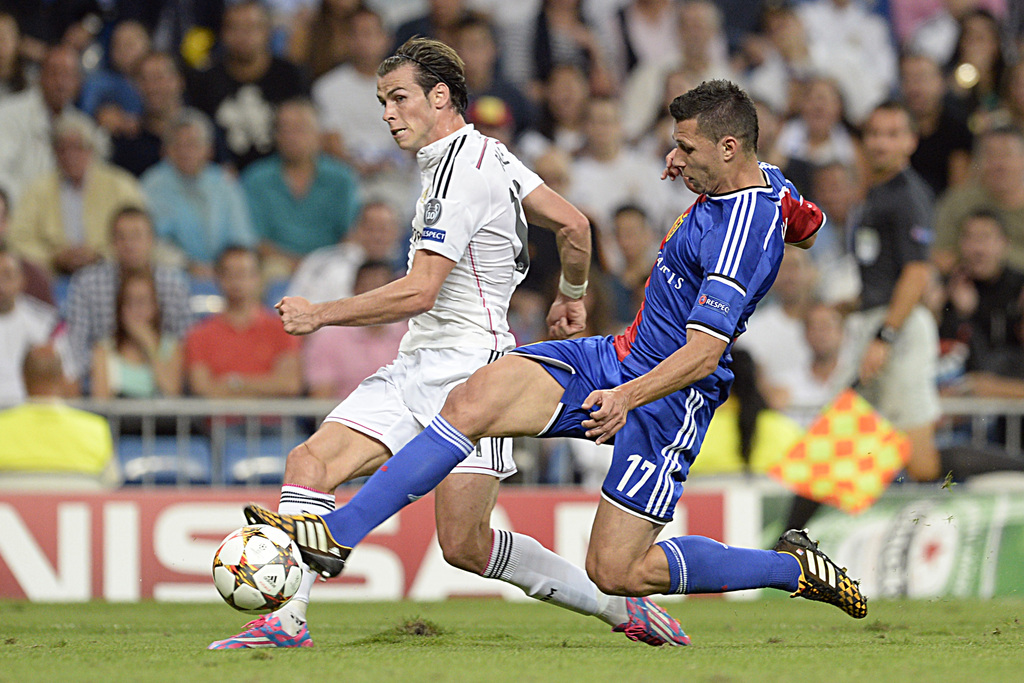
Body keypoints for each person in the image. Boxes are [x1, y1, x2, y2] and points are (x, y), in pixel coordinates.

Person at [244, 81, 868, 635]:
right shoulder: (767, 185)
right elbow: (802, 217)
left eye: (689, 150)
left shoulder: (741, 231)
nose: (677, 161)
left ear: (730, 147)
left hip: (667, 395)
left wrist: (627, 397)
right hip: (613, 353)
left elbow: (703, 353)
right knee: (474, 399)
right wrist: (792, 213)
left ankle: (789, 567)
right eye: (675, 147)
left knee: (617, 570)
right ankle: (339, 535)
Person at [211, 37, 689, 651]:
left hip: (475, 375)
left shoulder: (458, 174)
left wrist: (320, 313)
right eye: (383, 100)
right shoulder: (490, 156)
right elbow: (574, 224)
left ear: (440, 97)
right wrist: (571, 292)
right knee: (310, 463)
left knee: (466, 545)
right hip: (419, 362)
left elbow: (420, 290)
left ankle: (619, 608)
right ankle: (287, 620)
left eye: (399, 98)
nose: (387, 113)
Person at [7, 110, 146, 276]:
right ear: (55, 153)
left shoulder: (120, 185)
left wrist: (100, 255)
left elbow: (141, 235)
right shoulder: (38, 189)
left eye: (78, 147)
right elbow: (18, 238)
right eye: (62, 149)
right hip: (53, 277)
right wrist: (53, 258)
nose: (70, 156)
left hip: (112, 274)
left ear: (92, 149)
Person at [64, 207, 191, 386]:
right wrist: (105, 371)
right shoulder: (86, 283)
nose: (129, 244)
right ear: (111, 242)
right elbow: (75, 347)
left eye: (137, 236)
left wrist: (150, 353)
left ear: (152, 240)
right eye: (121, 237)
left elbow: (184, 345)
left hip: (163, 384)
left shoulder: (175, 285)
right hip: (102, 382)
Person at [241, 98, 361, 278]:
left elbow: (351, 234)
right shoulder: (256, 178)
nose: (291, 137)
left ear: (318, 134)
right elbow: (255, 240)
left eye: (300, 129)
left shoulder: (342, 178)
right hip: (277, 264)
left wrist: (318, 265)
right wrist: (299, 265)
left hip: (331, 264)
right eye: (284, 130)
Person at [184, 0, 308, 170]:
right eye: (234, 28)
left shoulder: (290, 75)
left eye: (252, 28)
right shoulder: (203, 80)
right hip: (220, 178)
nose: (243, 36)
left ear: (267, 31)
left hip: (279, 176)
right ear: (222, 33)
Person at [141, 108, 256, 279]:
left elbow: (241, 239)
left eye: (193, 144)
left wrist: (219, 269)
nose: (185, 152)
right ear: (166, 150)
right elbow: (150, 243)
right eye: (177, 145)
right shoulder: (151, 185)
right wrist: (189, 266)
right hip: (173, 273)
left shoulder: (225, 183)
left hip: (224, 274)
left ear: (208, 150)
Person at [184, 246, 301, 399]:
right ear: (218, 278)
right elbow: (202, 388)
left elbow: (289, 384)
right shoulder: (200, 334)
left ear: (258, 277)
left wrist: (233, 383)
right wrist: (266, 386)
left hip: (273, 421)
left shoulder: (283, 329)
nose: (237, 281)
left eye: (243, 274)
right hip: (221, 421)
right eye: (230, 274)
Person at [89, 271, 184, 399]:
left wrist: (149, 345)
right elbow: (101, 403)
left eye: (142, 301)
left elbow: (172, 391)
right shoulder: (103, 350)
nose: (135, 309)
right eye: (128, 302)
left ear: (155, 306)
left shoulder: (172, 346)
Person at [0, 246, 59, 407]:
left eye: (7, 276)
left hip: (32, 413)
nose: (1, 286)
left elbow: (61, 378)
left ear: (22, 280)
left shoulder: (46, 322)